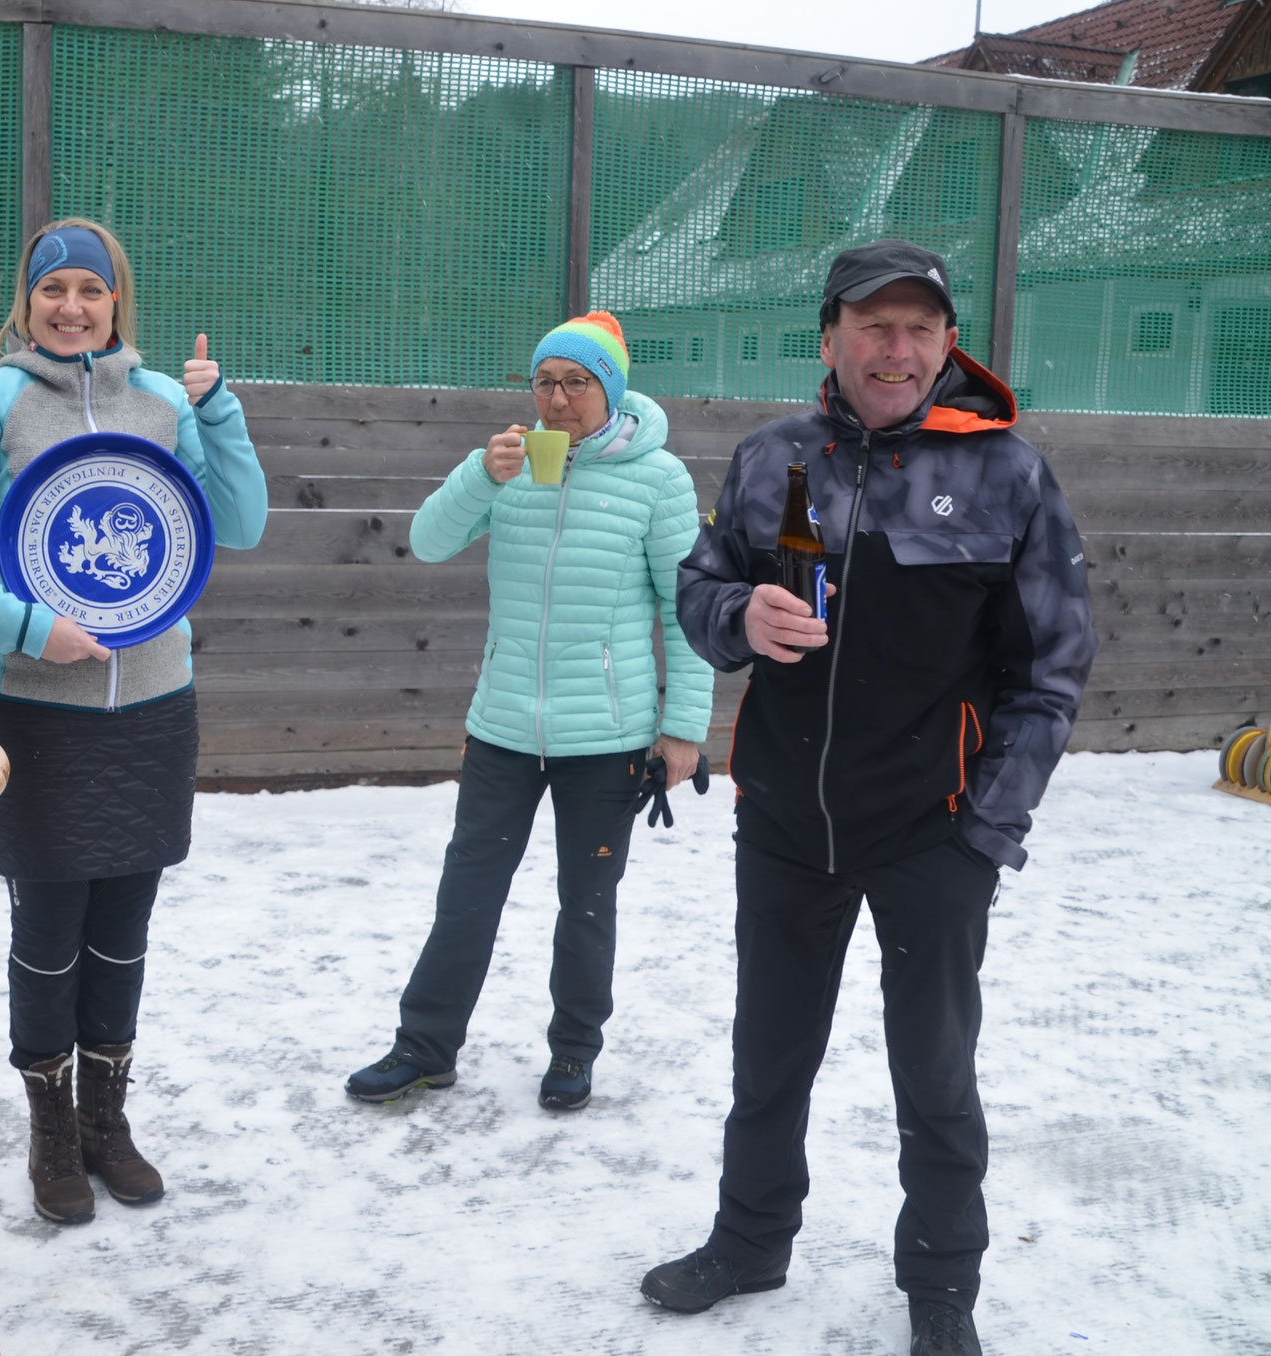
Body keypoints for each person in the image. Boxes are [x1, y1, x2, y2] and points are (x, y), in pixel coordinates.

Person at [645, 241, 1096, 1356]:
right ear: (829, 337)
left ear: (947, 343)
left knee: (934, 1075)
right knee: (769, 1053)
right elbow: (699, 587)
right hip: (788, 824)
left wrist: (983, 828)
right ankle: (751, 1240)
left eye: (917, 329)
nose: (895, 350)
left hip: (928, 833)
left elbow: (1053, 666)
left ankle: (940, 1283)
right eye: (872, 326)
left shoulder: (1005, 473)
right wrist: (735, 619)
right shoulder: (770, 458)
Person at [0, 219, 267, 1224]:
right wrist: (26, 625)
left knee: (125, 924)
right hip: (35, 706)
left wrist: (219, 412)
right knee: (51, 926)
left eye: (91, 291)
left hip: (152, 705)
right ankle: (51, 1130)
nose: (72, 307)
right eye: (53, 288)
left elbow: (235, 524)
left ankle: (108, 1121)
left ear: (118, 302)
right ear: (25, 301)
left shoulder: (162, 400)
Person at [344, 312, 713, 1111]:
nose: (557, 398)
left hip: (606, 735)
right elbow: (428, 540)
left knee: (586, 904)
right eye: (545, 381)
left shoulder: (659, 479)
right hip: (504, 727)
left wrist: (684, 727)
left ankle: (575, 1051)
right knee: (466, 895)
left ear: (609, 390)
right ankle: (425, 1047)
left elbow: (688, 607)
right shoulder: (505, 467)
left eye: (576, 382)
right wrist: (482, 473)